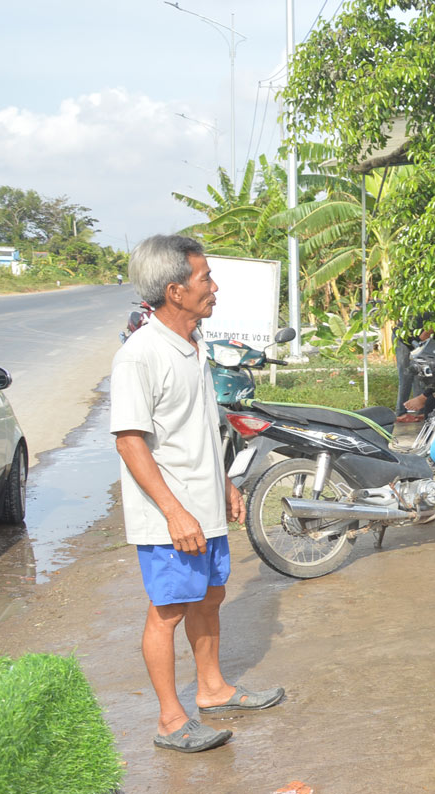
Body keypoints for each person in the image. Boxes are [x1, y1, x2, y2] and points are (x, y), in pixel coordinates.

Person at [111, 234, 284, 753]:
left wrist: (224, 481)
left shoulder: (193, 347)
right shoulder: (140, 355)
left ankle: (213, 689)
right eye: (204, 278)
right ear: (174, 291)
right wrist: (173, 512)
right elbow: (130, 441)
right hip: (172, 515)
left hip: (202, 504)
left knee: (210, 597)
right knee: (166, 610)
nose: (214, 287)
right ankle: (169, 720)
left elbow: (198, 429)